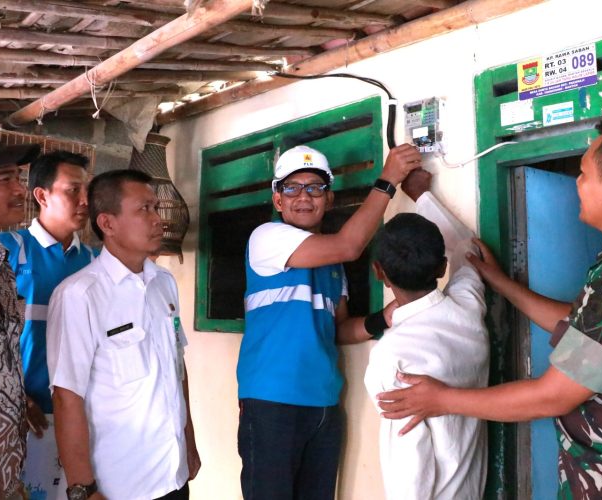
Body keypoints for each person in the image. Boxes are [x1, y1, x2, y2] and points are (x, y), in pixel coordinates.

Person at [377, 115, 602, 498]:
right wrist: (501, 282)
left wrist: (441, 399)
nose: (577, 183)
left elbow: (553, 395)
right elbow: (586, 327)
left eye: (583, 174)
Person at [237, 143, 421, 499]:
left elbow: (338, 329)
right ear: (277, 200)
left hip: (323, 402)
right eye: (292, 188)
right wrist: (387, 180)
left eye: (315, 188)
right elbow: (350, 245)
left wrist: (384, 318)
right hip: (272, 401)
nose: (303, 197)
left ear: (329, 199)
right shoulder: (266, 238)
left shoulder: (331, 264)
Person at [47, 170, 200, 500]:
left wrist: (189, 442)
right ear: (107, 223)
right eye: (144, 209)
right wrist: (83, 489)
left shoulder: (164, 283)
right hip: (119, 485)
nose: (158, 219)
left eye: (156, 207)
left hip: (172, 475)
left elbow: (177, 367)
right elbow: (66, 397)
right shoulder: (80, 295)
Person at [363, 169, 489, 500]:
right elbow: (466, 249)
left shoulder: (391, 355)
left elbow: (411, 465)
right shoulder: (467, 308)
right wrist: (422, 196)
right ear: (441, 268)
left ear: (379, 273)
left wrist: (419, 196)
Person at [0, 151, 95, 497]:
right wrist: (15, 397)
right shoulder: (8, 251)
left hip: (81, 418)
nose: (85, 201)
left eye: (87, 190)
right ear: (42, 195)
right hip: (22, 417)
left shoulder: (95, 261)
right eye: (73, 190)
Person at [0, 134, 41, 499]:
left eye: (19, 178)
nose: (21, 190)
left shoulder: (2, 267)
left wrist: (16, 398)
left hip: (5, 473)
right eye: (5, 179)